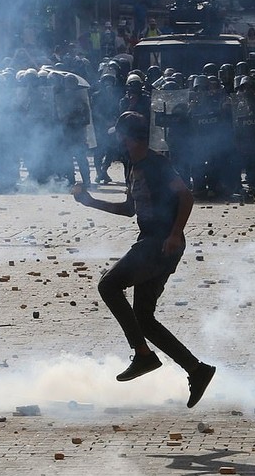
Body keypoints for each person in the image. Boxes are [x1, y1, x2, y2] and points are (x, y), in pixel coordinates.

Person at [71, 111, 216, 409]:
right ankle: (197, 370)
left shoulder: (156, 164)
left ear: (129, 137)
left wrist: (175, 234)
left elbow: (186, 197)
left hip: (160, 243)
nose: (118, 143)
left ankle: (143, 354)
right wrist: (91, 202)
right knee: (144, 319)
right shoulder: (132, 166)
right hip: (151, 241)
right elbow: (129, 209)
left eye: (120, 137)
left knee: (109, 286)